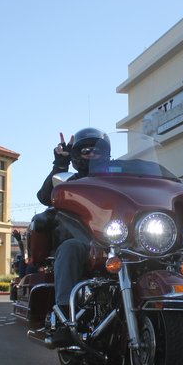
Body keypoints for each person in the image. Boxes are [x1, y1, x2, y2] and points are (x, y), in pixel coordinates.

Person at [36, 128, 111, 344]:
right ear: (77, 154)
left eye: (98, 150)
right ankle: (64, 319)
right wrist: (60, 164)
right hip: (81, 240)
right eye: (86, 150)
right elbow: (44, 197)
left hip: (117, 240)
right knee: (71, 248)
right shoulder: (69, 182)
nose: (92, 154)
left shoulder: (119, 177)